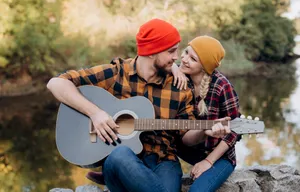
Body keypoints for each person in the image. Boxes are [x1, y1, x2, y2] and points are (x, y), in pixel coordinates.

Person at [47, 19, 230, 192]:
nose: (177, 58)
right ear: (151, 51)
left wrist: (203, 130)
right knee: (120, 154)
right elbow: (56, 83)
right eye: (171, 51)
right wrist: (95, 113)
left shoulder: (179, 86)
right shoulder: (117, 73)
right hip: (120, 161)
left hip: (163, 160)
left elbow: (186, 137)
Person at [174, 36, 240, 192]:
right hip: (186, 147)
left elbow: (235, 131)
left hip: (219, 156)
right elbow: (154, 63)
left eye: (193, 59)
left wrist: (208, 162)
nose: (184, 59)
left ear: (204, 66)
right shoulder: (181, 77)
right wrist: (173, 68)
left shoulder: (222, 86)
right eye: (186, 52)